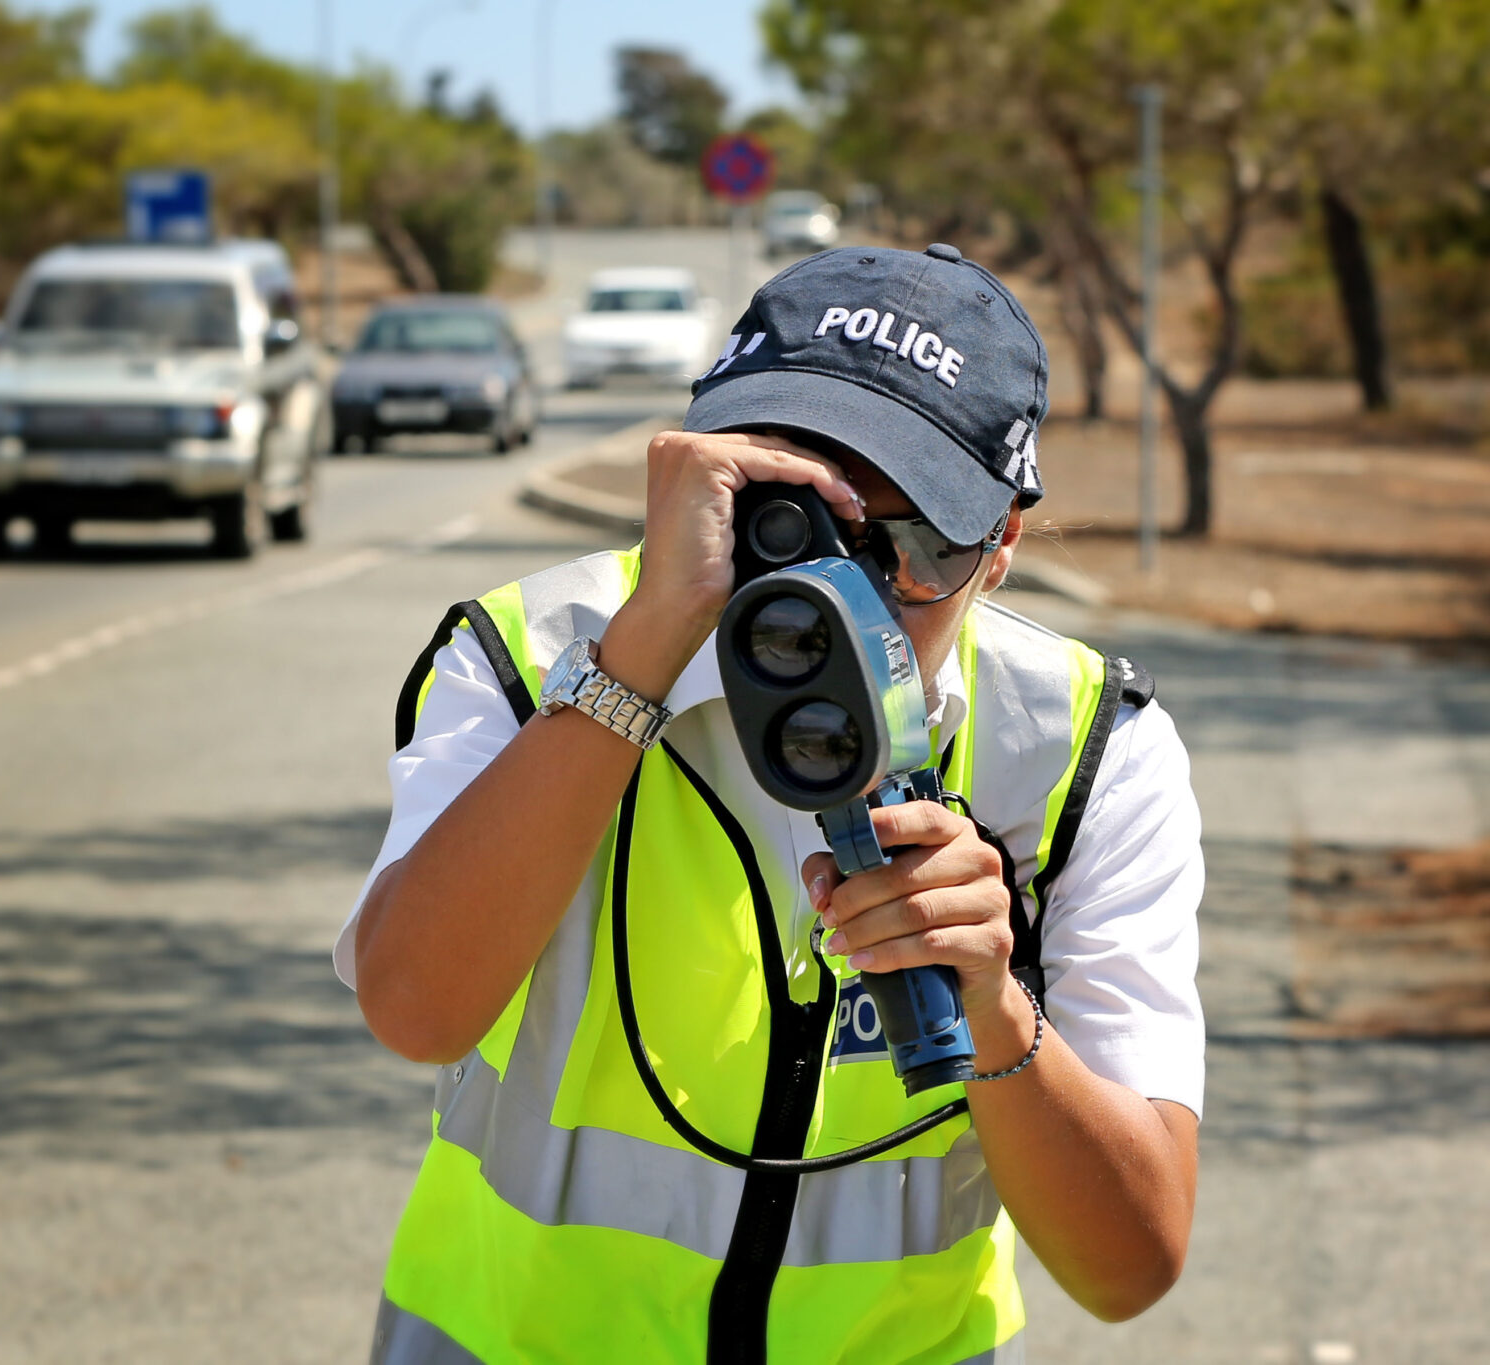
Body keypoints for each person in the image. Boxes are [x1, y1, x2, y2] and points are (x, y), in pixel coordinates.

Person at [338, 244, 1204, 1364]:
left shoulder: (1079, 750)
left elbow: (1128, 1265)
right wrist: (635, 660)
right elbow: (413, 1008)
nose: (839, 595)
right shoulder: (526, 657)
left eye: (907, 548)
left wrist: (993, 1006)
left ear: (998, 550)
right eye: (782, 521)